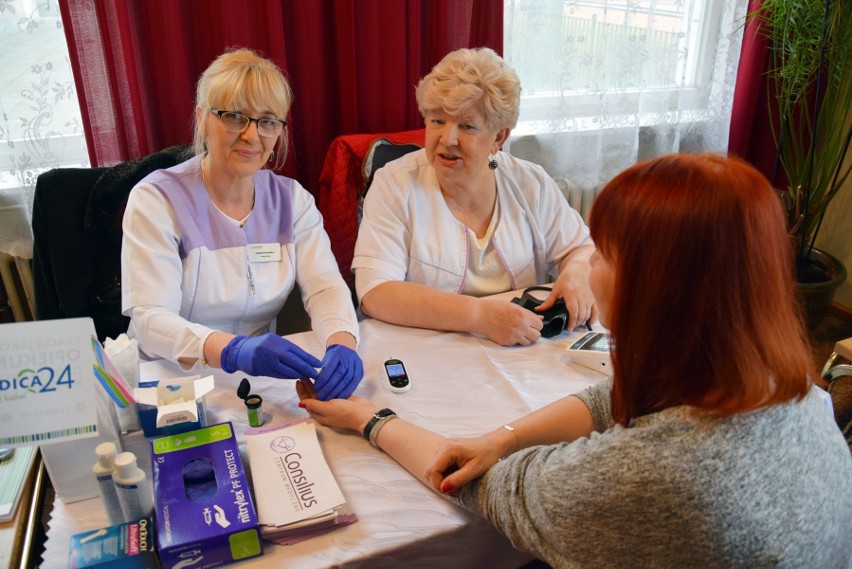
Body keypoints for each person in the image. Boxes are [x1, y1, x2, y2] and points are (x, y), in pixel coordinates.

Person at [299, 154, 852, 566]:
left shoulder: (653, 475)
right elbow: (617, 398)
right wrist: (508, 434)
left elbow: (477, 483)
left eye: (604, 254)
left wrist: (369, 419)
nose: (590, 265)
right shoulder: (799, 391)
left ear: (655, 289)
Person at [121, 48, 362, 400]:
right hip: (170, 377)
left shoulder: (291, 201)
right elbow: (150, 318)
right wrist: (232, 351)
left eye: (267, 121)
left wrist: (342, 340)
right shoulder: (157, 199)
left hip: (259, 378)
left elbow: (325, 286)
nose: (252, 136)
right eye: (234, 117)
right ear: (203, 118)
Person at [352, 48, 594, 346]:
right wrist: (480, 316)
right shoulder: (394, 183)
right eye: (437, 121)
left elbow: (580, 249)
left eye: (466, 126)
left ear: (498, 138)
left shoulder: (530, 183)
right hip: (425, 352)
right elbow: (376, 293)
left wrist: (578, 271)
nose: (447, 139)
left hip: (519, 353)